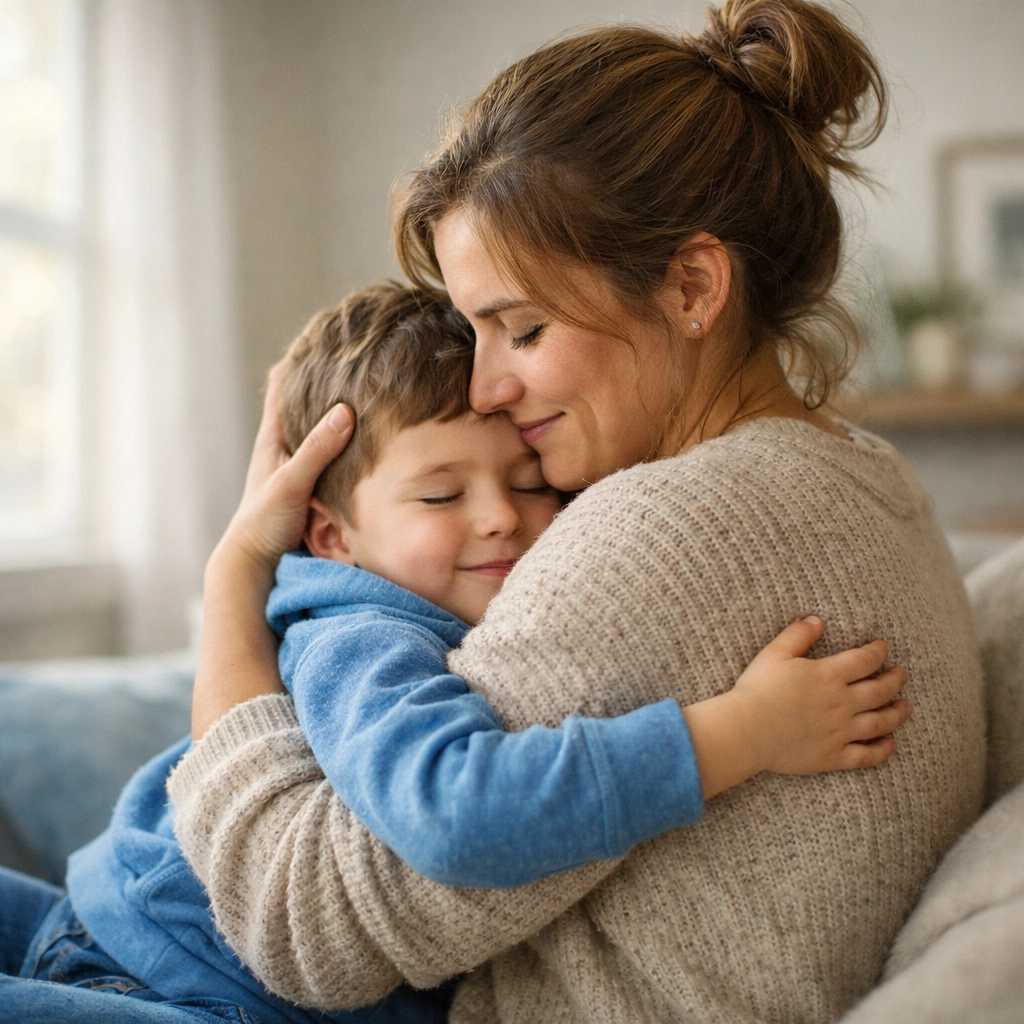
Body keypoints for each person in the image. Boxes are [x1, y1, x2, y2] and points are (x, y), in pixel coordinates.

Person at [168, 1, 986, 1022]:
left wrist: (234, 579)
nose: (485, 387)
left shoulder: (664, 534)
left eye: (521, 327)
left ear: (691, 285)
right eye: (473, 332)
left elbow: (304, 932)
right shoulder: (873, 479)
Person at [0, 282, 904, 1024]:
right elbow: (456, 810)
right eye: (440, 496)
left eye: (526, 482)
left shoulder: (495, 607)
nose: (500, 516)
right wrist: (739, 733)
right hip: (178, 974)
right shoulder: (362, 639)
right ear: (332, 534)